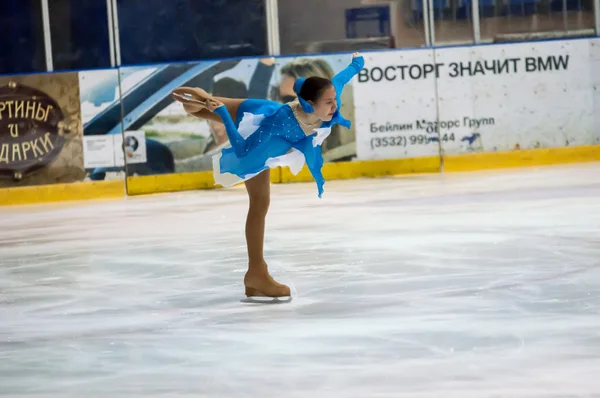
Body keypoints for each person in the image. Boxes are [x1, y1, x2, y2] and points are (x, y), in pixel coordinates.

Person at [171, 52, 365, 299]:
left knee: (260, 202)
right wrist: (219, 114)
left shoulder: (324, 100)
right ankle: (256, 273)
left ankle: (256, 274)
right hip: (257, 123)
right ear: (308, 104)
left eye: (334, 100)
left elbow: (341, 78)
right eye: (329, 102)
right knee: (205, 110)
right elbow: (242, 150)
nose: (335, 106)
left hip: (272, 123)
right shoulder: (278, 127)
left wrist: (357, 63)